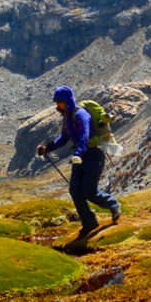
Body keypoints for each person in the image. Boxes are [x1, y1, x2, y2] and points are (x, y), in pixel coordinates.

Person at [36, 86, 121, 234]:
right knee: (74, 190)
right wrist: (47, 148)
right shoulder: (68, 118)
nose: (58, 106)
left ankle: (113, 204)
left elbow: (84, 136)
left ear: (67, 101)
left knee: (89, 191)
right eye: (57, 102)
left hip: (93, 155)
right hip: (79, 156)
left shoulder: (81, 114)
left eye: (60, 102)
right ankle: (89, 223)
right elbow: (63, 139)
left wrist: (79, 154)